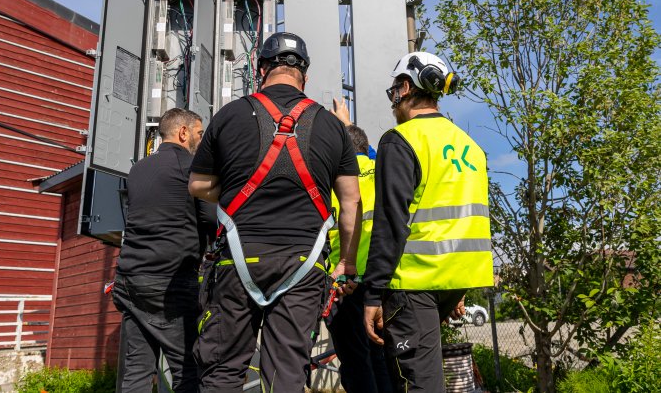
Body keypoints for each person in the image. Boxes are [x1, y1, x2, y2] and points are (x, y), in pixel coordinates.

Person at [189, 32, 362, 392]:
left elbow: (197, 185)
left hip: (236, 260)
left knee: (221, 371)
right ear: (305, 76)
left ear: (261, 68)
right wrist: (347, 262)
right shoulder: (334, 127)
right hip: (304, 263)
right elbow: (351, 202)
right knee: (287, 373)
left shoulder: (229, 115)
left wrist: (240, 190)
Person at [362, 52, 494, 392]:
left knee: (419, 384)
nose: (393, 103)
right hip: (458, 278)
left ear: (405, 88)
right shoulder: (470, 147)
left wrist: (373, 294)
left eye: (394, 92)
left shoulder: (401, 140)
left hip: (415, 280)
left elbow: (391, 222)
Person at [112, 108, 216, 393]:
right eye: (199, 133)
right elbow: (210, 219)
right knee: (187, 369)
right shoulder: (192, 168)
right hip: (170, 282)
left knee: (137, 371)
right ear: (183, 133)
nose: (200, 139)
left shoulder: (138, 169)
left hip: (130, 280)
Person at [325, 101, 393, 393]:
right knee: (381, 357)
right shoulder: (383, 171)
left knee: (354, 361)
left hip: (344, 282)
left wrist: (340, 130)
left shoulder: (334, 179)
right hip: (382, 282)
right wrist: (346, 126)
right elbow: (365, 152)